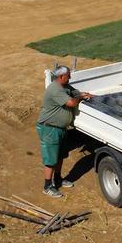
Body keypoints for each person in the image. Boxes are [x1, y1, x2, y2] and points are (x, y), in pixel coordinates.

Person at [36, 65, 91, 197]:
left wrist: (90, 95)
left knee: (60, 156)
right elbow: (72, 102)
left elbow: (76, 93)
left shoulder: (65, 86)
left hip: (60, 129)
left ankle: (58, 180)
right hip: (50, 129)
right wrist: (81, 98)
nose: (70, 77)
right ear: (61, 76)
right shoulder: (55, 89)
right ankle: (48, 186)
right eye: (68, 76)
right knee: (51, 159)